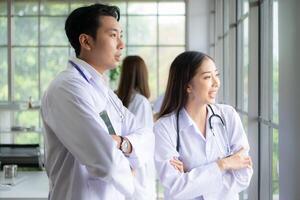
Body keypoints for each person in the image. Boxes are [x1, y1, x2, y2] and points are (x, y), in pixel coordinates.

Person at [41, 4, 154, 200]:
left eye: (121, 35)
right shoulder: (67, 88)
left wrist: (122, 143)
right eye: (113, 35)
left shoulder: (104, 91)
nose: (121, 44)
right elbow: (106, 161)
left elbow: (148, 137)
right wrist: (130, 169)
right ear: (86, 41)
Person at [154, 51, 253, 200]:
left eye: (216, 75)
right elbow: (175, 188)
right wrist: (223, 164)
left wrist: (191, 176)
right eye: (207, 77)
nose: (216, 82)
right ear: (188, 86)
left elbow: (244, 175)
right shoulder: (165, 128)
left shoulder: (228, 116)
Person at [116, 55, 156, 200]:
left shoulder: (117, 99)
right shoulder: (141, 102)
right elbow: (143, 140)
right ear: (142, 74)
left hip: (122, 169)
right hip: (138, 171)